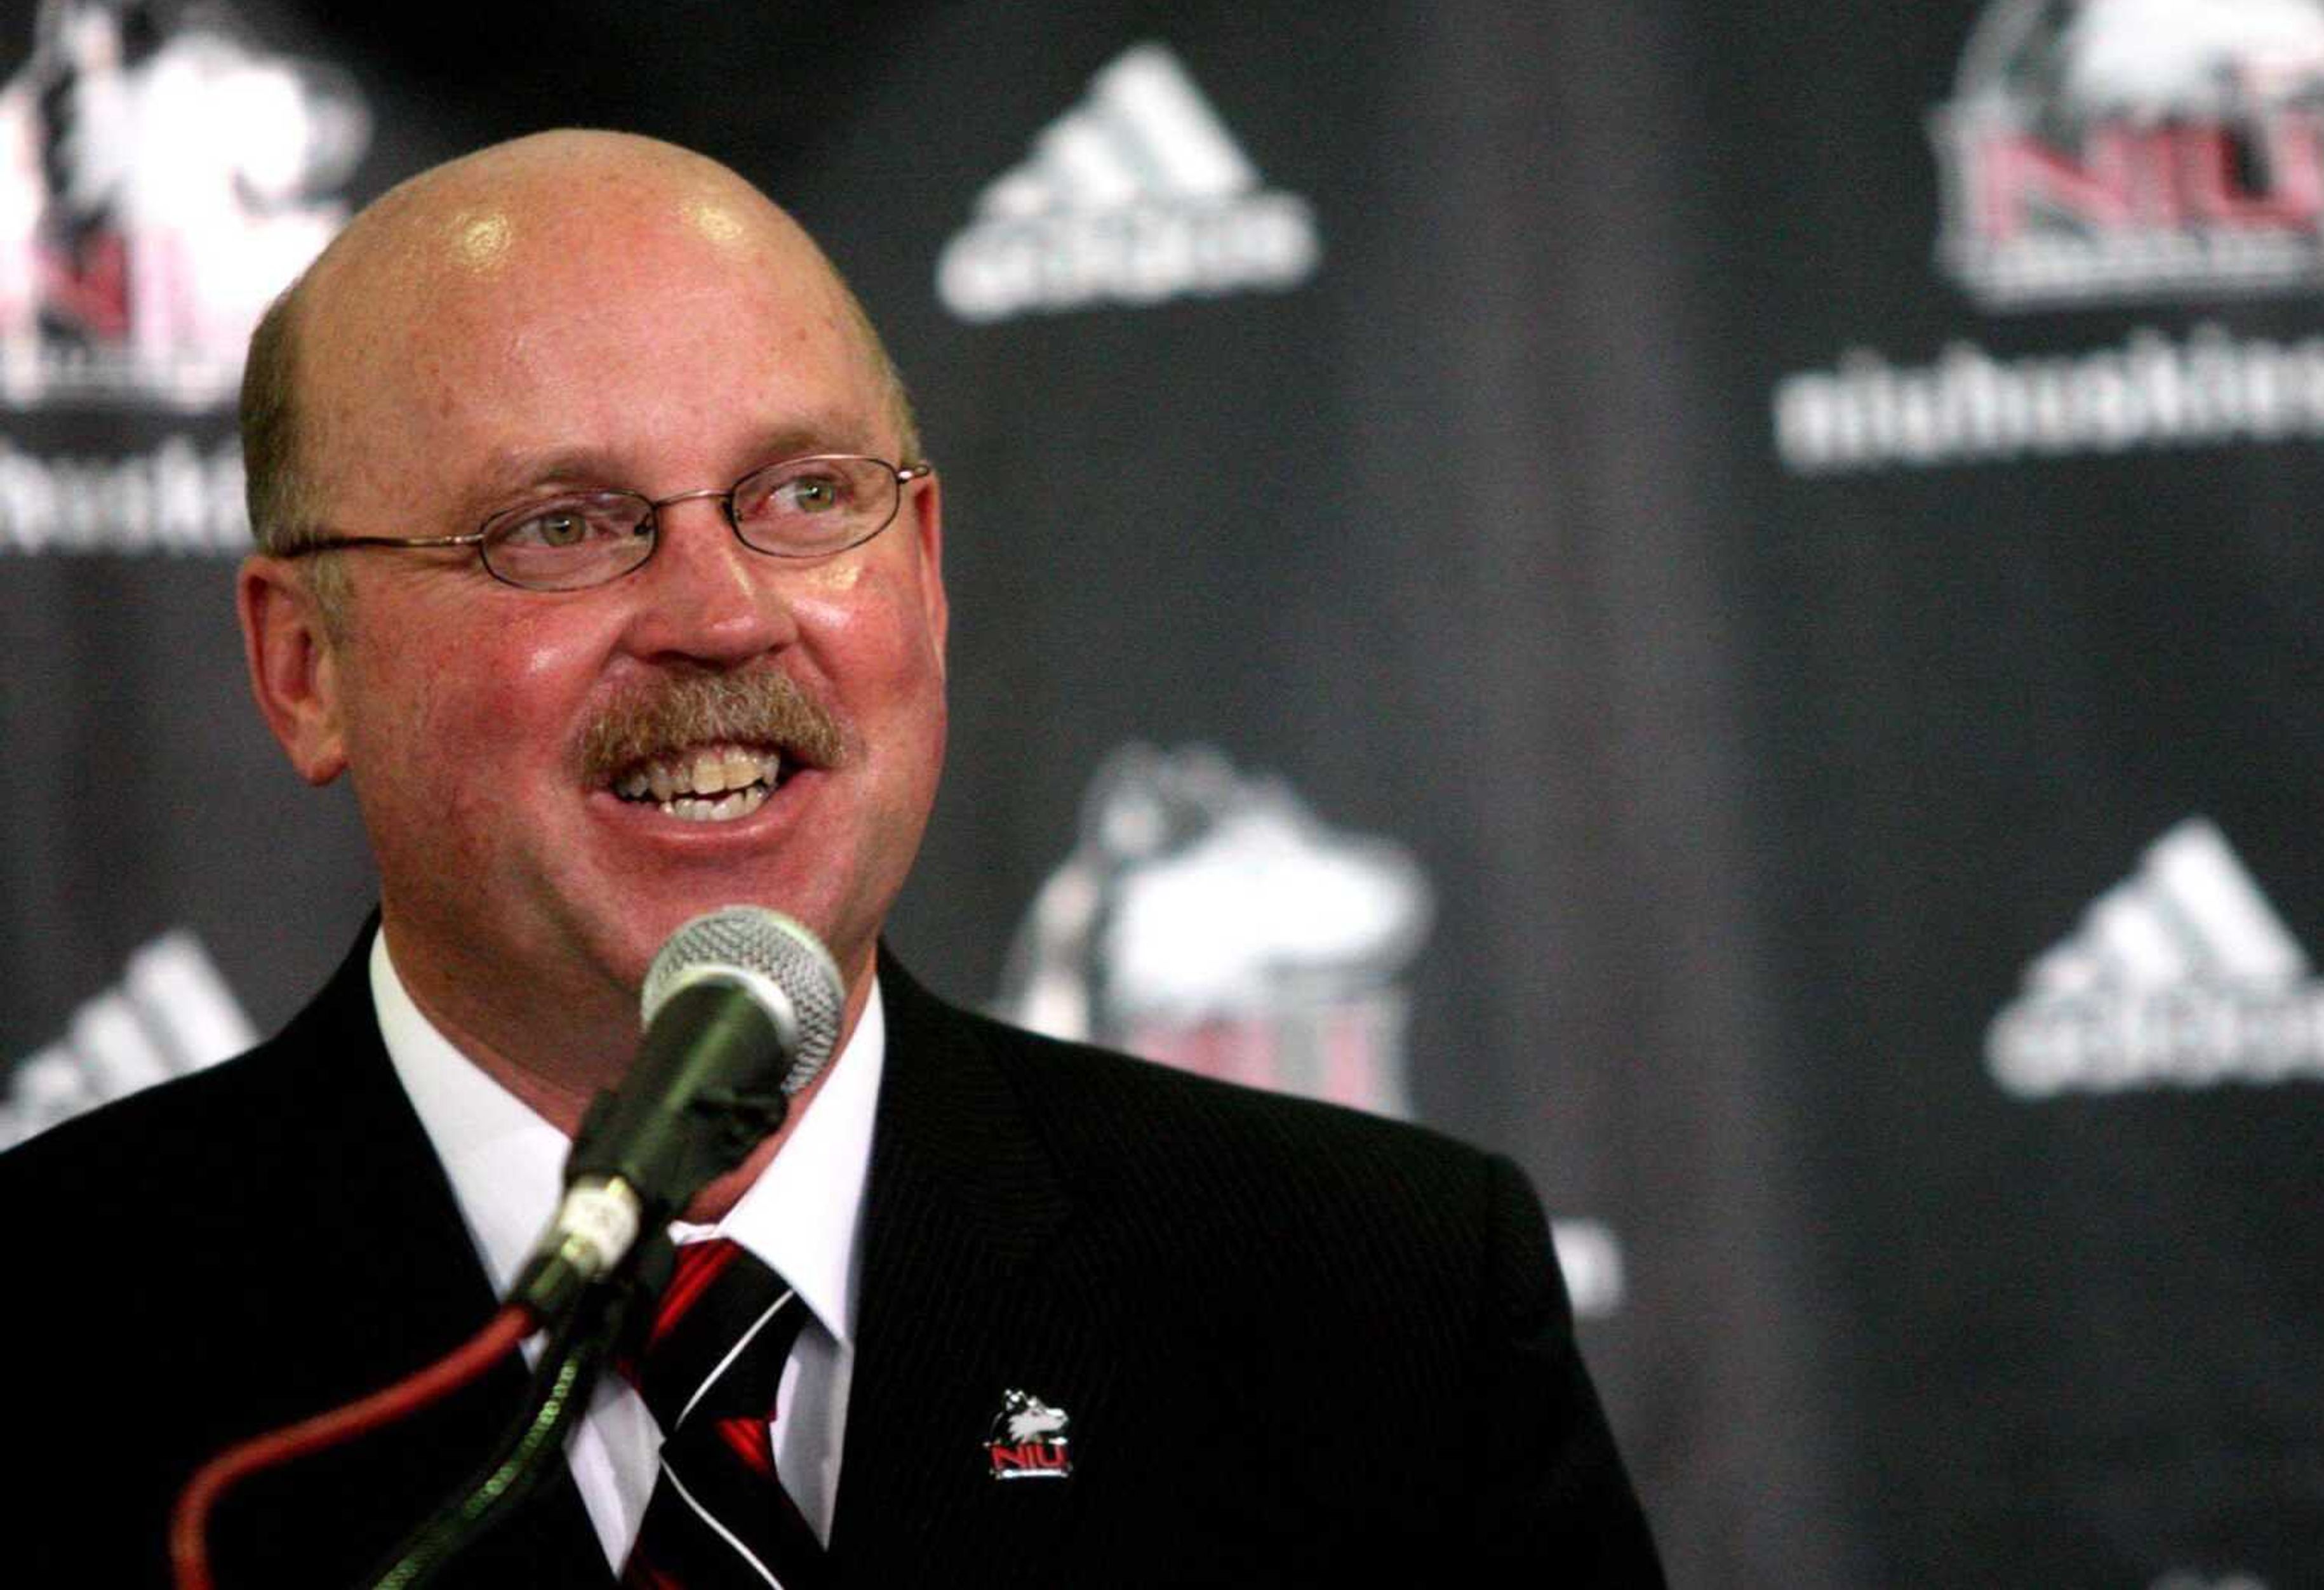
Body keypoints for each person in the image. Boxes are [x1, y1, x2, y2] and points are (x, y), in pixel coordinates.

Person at [0, 131, 1664, 1586]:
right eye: (563, 525)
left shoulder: (1378, 1310)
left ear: (924, 572)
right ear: (306, 666)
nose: (722, 612)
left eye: (803, 494)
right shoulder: (60, 1348)